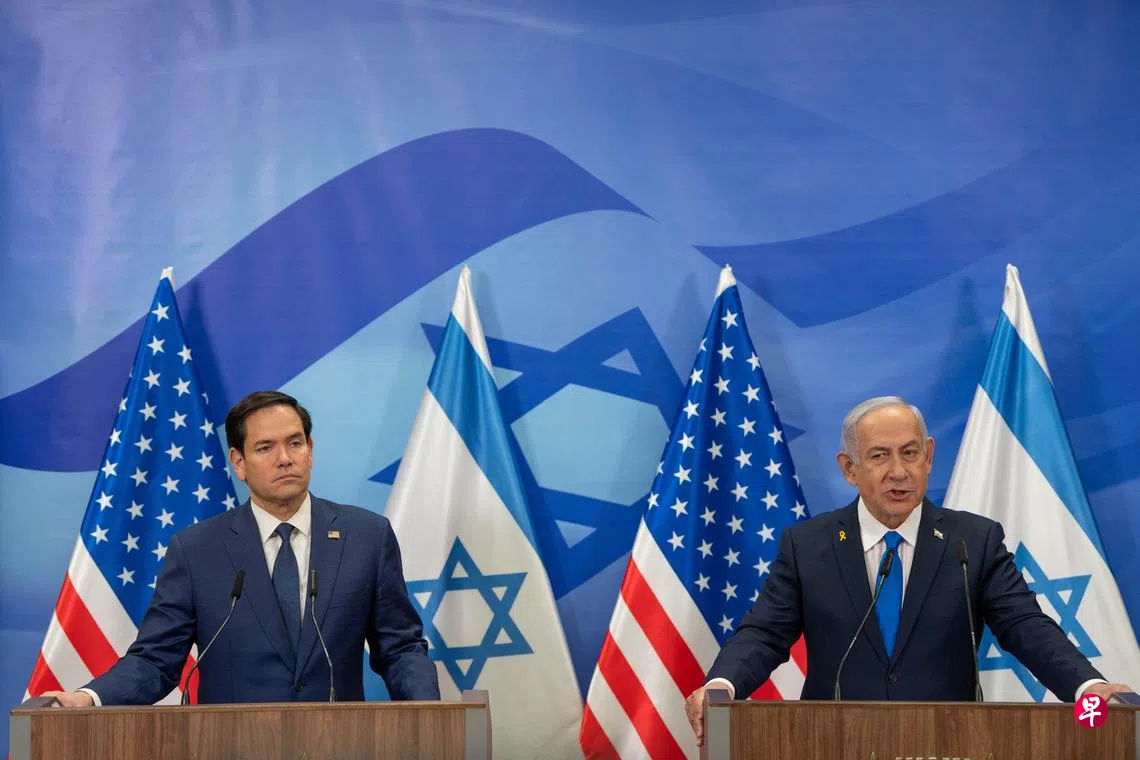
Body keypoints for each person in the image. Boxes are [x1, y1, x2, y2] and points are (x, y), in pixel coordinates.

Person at [685, 396, 1130, 744]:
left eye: (910, 453)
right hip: (831, 742)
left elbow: (1025, 626)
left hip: (949, 743)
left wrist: (1087, 687)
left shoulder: (973, 541)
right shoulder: (808, 545)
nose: (898, 472)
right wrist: (722, 686)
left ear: (928, 456)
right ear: (849, 469)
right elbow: (765, 633)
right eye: (879, 456)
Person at [43, 390, 439, 706]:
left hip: (340, 745)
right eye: (265, 448)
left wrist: (431, 714)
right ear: (239, 462)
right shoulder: (196, 550)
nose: (284, 459)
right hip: (231, 745)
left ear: (310, 449)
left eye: (295, 443)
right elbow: (156, 660)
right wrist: (89, 698)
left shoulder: (366, 536)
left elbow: (400, 648)